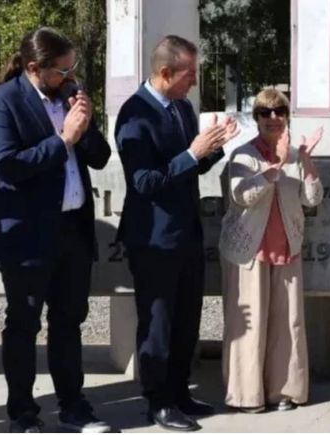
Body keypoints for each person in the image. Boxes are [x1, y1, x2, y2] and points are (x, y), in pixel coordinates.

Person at [115, 35, 239, 432]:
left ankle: (179, 392)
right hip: (153, 238)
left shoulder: (182, 108)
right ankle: (158, 401)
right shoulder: (134, 115)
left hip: (186, 233)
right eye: (190, 74)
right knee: (158, 323)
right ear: (165, 73)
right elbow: (146, 182)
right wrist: (192, 153)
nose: (194, 83)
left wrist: (216, 146)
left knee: (188, 318)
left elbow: (191, 168)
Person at [0, 27, 112, 433]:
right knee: (24, 324)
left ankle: (74, 406)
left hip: (73, 230)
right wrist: (64, 139)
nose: (70, 76)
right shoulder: (5, 102)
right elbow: (8, 164)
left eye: (72, 68)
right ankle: (24, 413)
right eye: (63, 70)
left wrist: (88, 123)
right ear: (34, 69)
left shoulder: (70, 96)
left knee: (69, 320)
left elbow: (99, 157)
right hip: (28, 234)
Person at [219, 88, 323, 413]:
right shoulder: (243, 156)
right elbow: (242, 196)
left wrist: (304, 160)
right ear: (257, 118)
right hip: (249, 252)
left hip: (286, 247)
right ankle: (246, 396)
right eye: (266, 113)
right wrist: (274, 167)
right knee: (247, 327)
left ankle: (285, 392)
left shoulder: (294, 155)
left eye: (279, 111)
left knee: (287, 323)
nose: (274, 118)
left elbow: (312, 199)